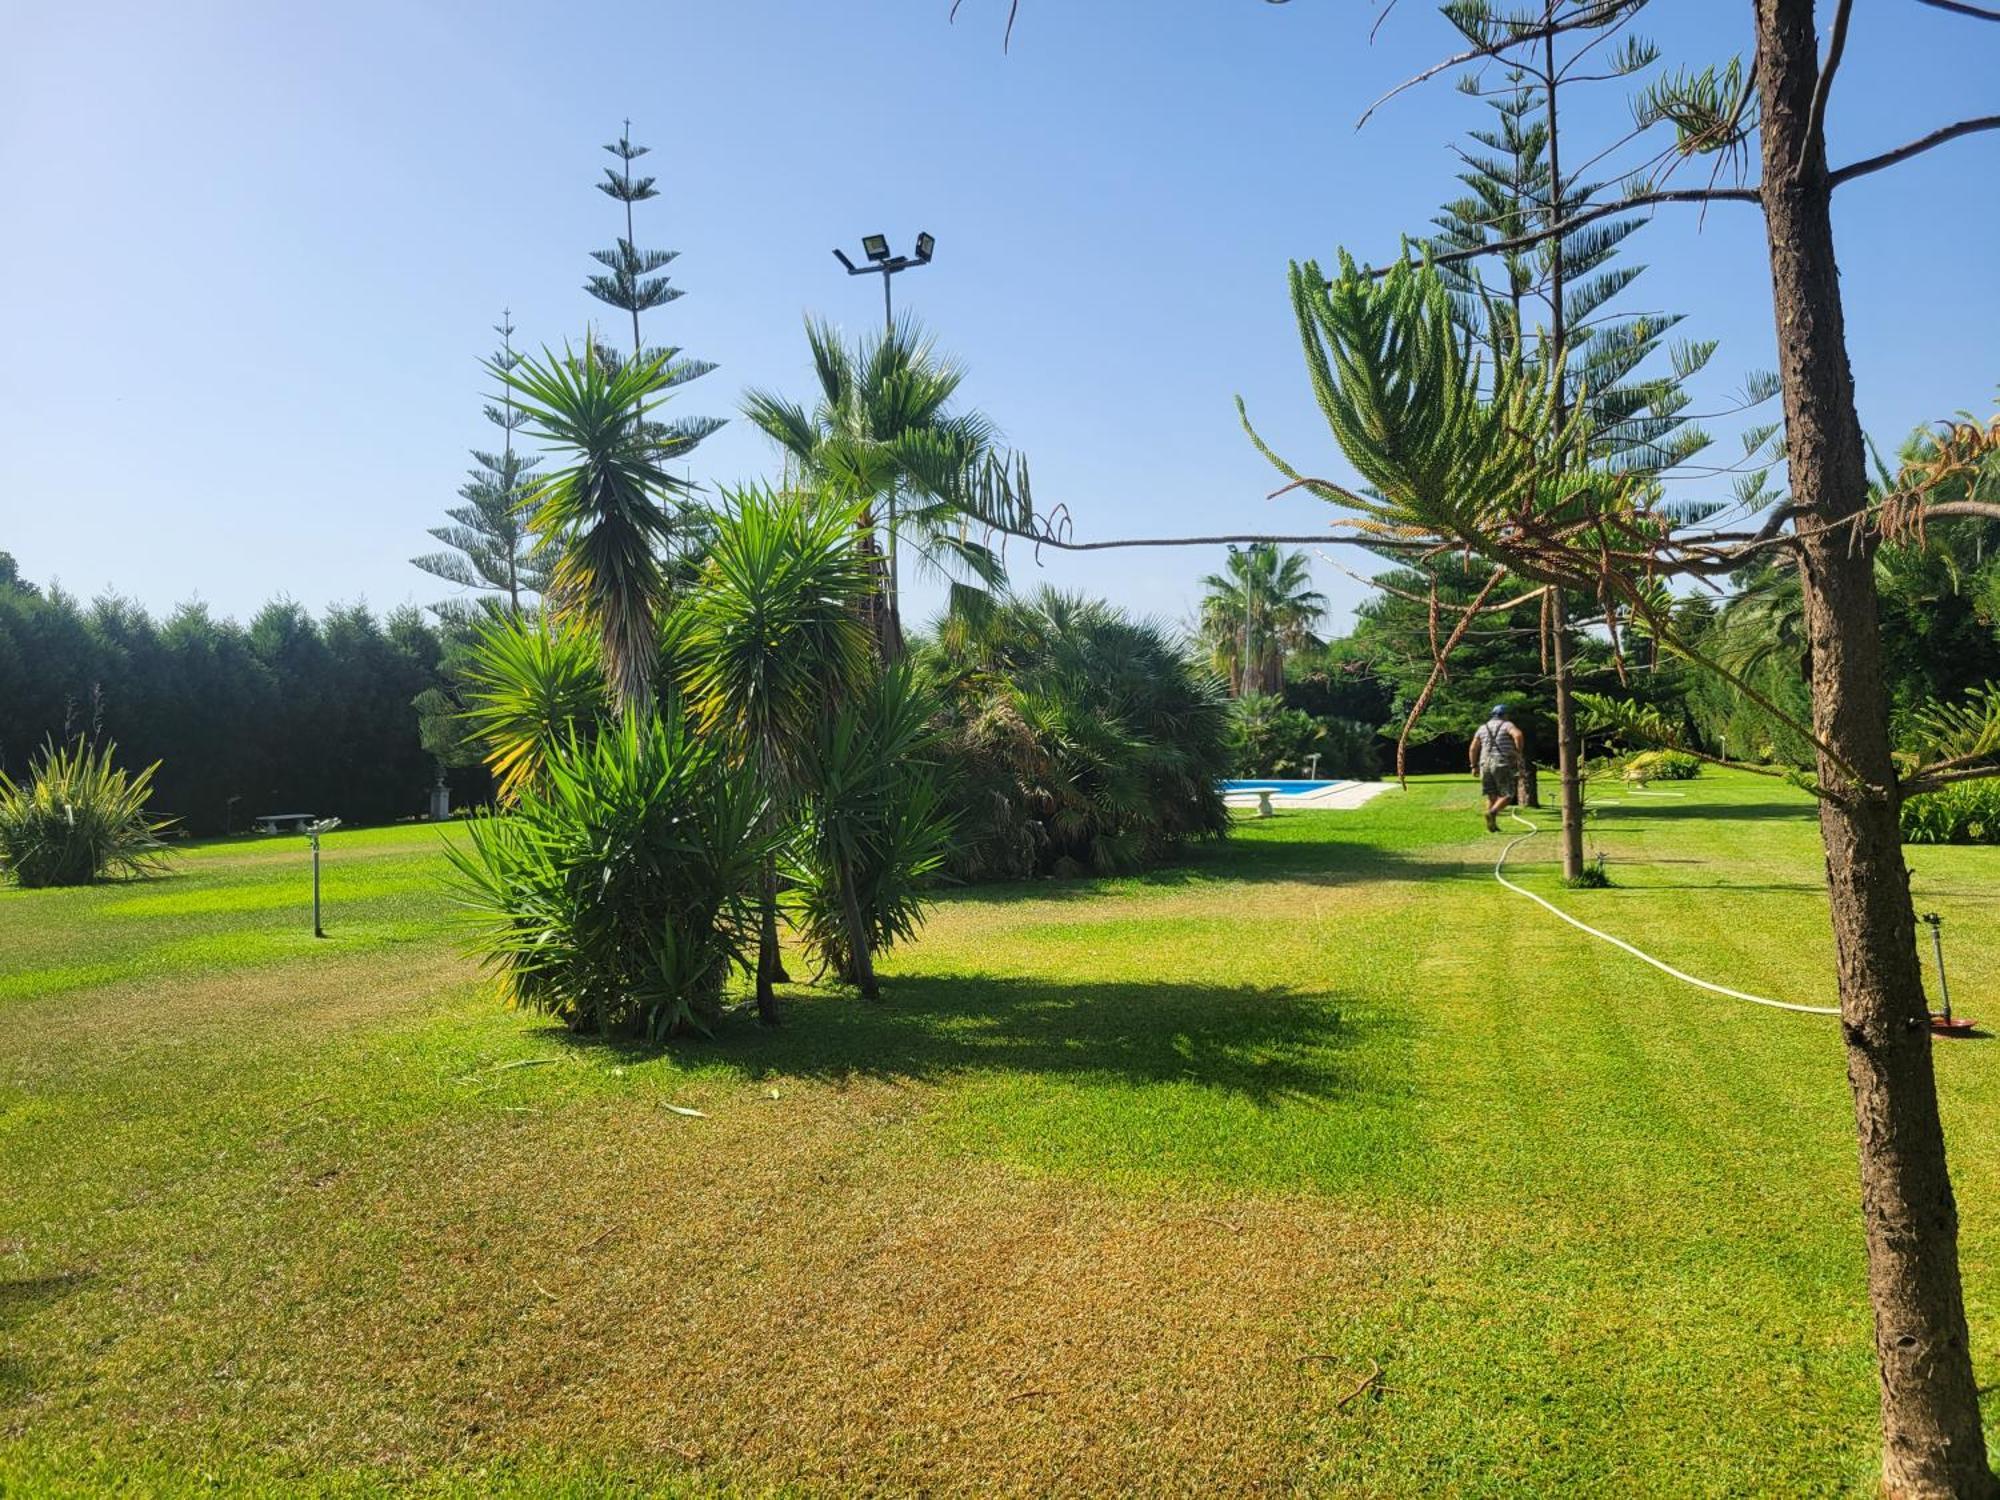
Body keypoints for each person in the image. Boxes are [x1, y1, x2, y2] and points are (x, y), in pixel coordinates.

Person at [1469, 703, 1527, 833]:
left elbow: (1473, 748)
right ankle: (1492, 812)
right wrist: (1518, 753)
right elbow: (1518, 735)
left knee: (1491, 795)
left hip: (1484, 764)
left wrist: (1473, 766)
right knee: (1508, 794)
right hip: (1501, 762)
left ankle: (1492, 826)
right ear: (1505, 715)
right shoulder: (1507, 725)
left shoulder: (1482, 728)